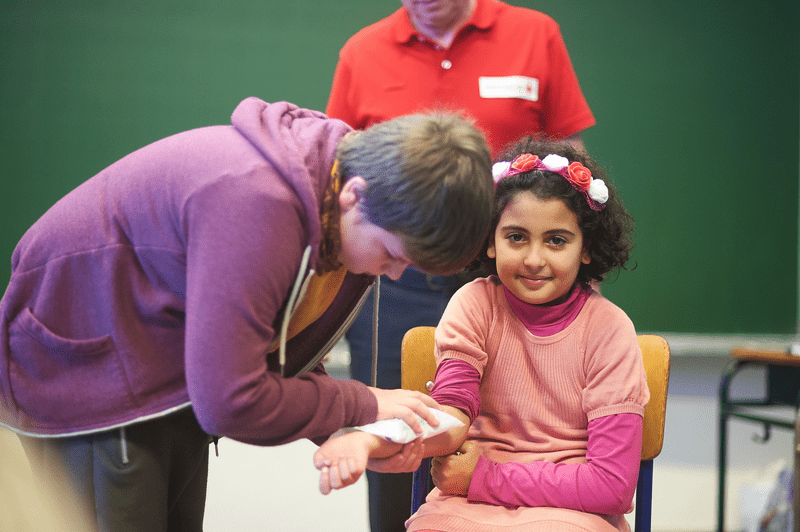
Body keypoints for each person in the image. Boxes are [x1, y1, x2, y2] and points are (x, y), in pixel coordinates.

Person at [0, 97, 494, 532]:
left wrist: (352, 433)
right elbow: (231, 401)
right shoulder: (258, 206)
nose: (394, 274)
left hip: (166, 367)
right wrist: (359, 404)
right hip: (90, 370)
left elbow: (277, 347)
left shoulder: (339, 194)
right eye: (393, 255)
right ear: (355, 196)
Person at [326, 2, 596, 528]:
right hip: (389, 283)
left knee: (510, 436)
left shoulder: (535, 35)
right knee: (393, 456)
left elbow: (571, 172)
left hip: (505, 278)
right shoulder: (362, 52)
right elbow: (337, 178)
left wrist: (579, 279)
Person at [313, 138, 649, 532]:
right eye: (516, 237)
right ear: (489, 240)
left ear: (586, 248)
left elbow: (612, 487)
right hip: (465, 506)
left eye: (556, 240)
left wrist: (484, 478)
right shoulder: (474, 305)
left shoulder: (610, 329)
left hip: (569, 514)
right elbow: (448, 416)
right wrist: (368, 439)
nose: (534, 259)